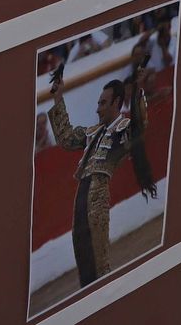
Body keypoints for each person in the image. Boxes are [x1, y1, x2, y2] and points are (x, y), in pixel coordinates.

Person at [47, 67, 135, 287]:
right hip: (81, 196)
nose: (97, 109)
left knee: (99, 261)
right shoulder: (92, 132)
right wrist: (58, 97)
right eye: (98, 103)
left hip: (97, 193)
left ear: (116, 103)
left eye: (103, 103)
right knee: (84, 258)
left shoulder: (125, 128)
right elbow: (66, 138)